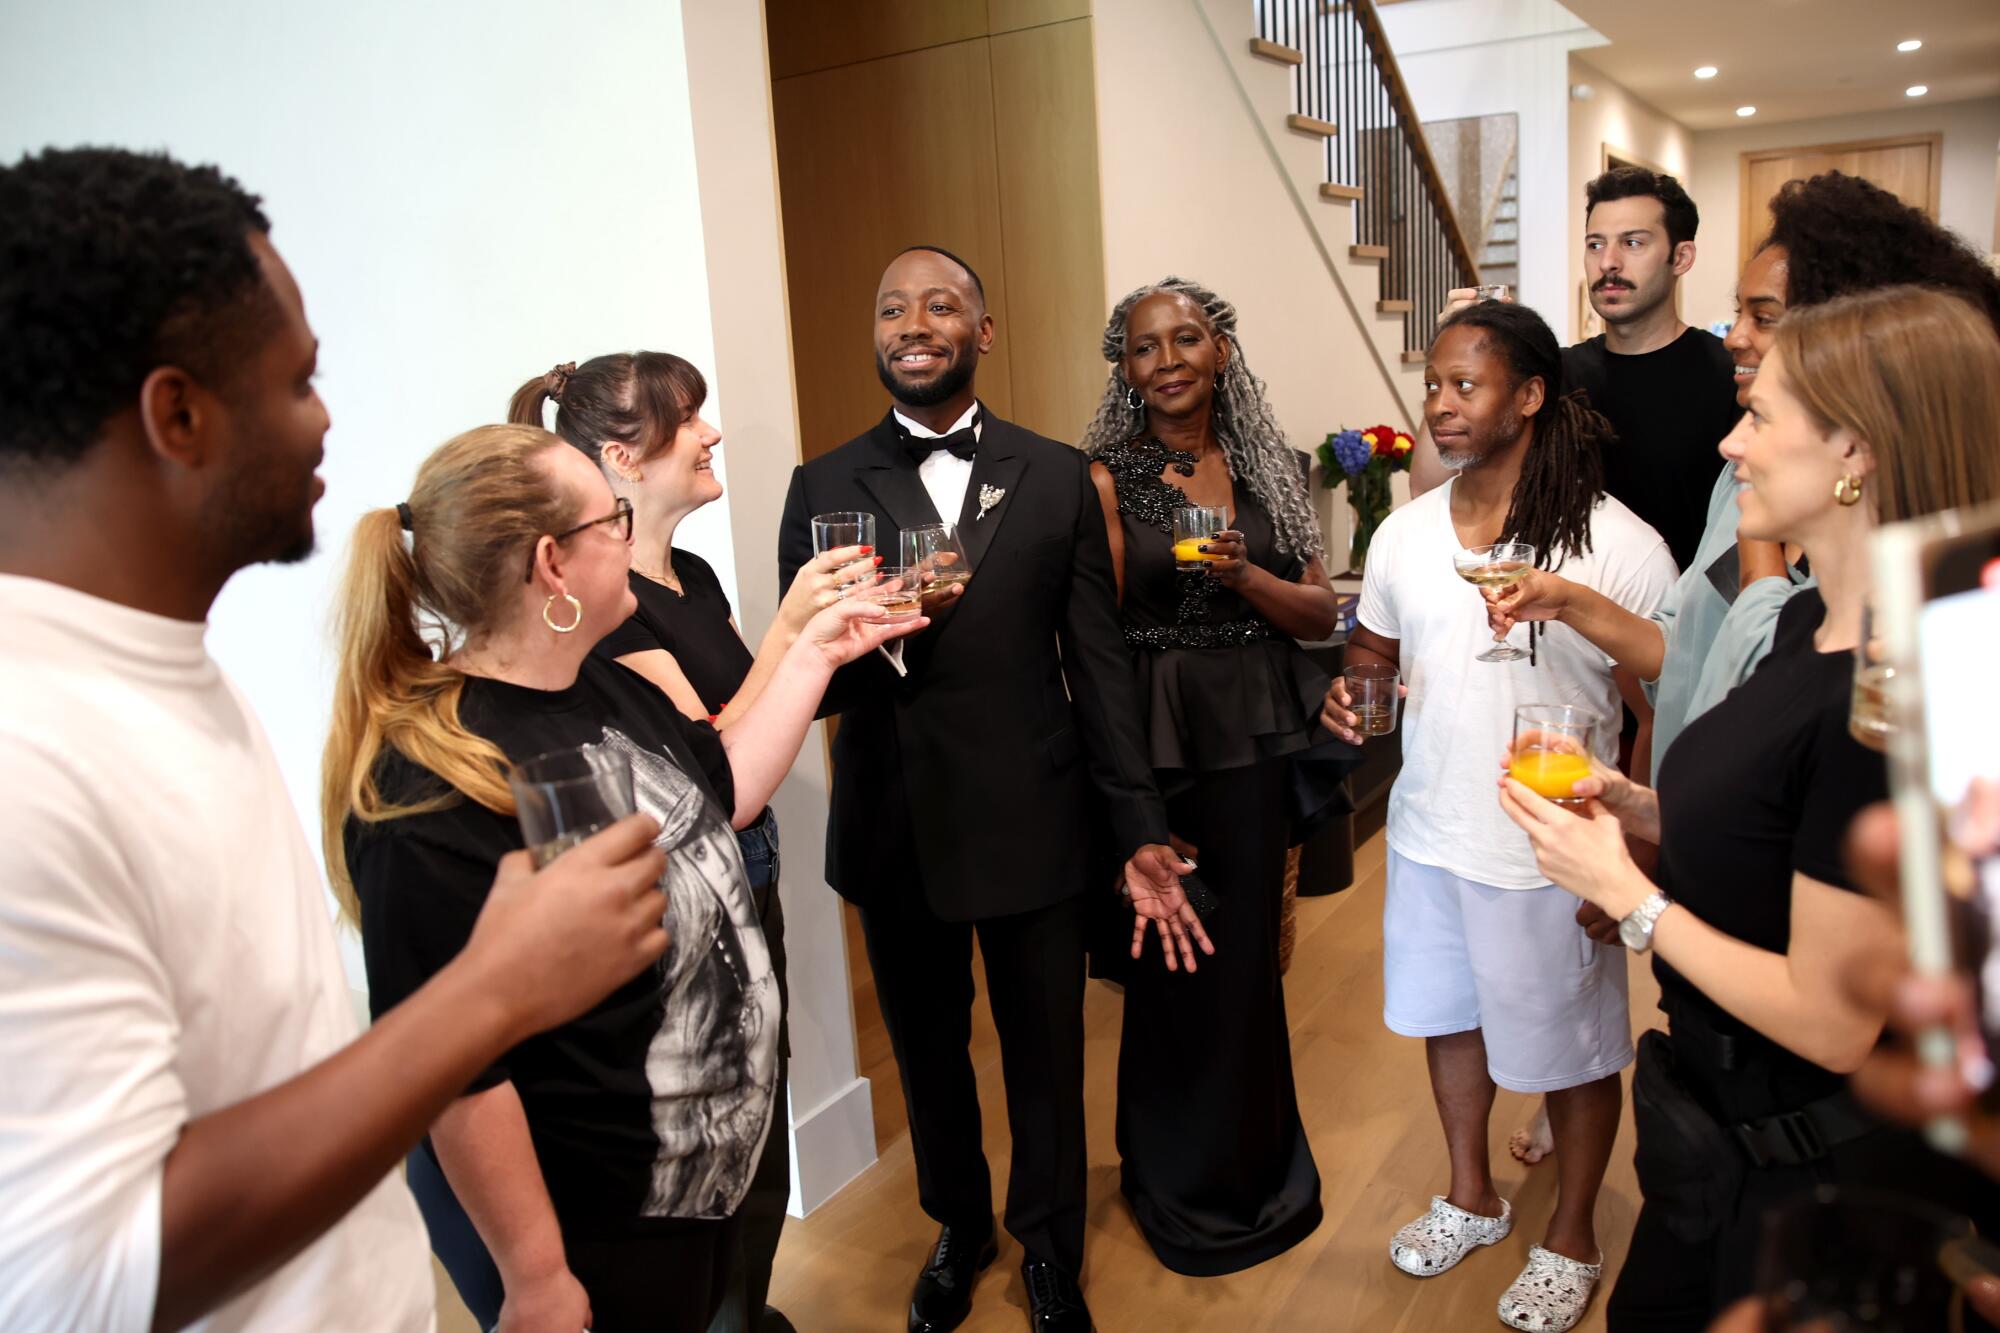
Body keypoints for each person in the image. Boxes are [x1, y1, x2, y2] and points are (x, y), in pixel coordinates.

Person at [0, 146, 671, 1332]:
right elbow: (84, 1279)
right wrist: (493, 992)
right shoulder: (28, 750)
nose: (325, 417)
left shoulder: (162, 670)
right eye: (299, 380)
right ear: (179, 414)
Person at [325, 423, 921, 1333]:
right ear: (551, 566)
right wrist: (535, 1275)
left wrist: (817, 650)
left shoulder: (605, 684)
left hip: (694, 1182)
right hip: (591, 1221)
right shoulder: (430, 785)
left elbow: (725, 789)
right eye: (616, 519)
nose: (632, 536)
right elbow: (458, 1073)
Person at [1496, 285, 2000, 1330]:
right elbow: (1779, 837)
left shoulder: (1893, 690)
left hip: (1816, 1175)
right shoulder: (1805, 618)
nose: (1730, 445)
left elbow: (1829, 1022)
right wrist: (1634, 804)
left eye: (1760, 416)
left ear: (1854, 451)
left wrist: (1624, 895)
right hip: (1717, 1135)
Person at [777, 245, 1192, 1333]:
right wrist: (871, 633)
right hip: (894, 822)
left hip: (1035, 815)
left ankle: (1050, 1247)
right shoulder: (820, 487)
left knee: (1045, 1051)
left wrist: (1134, 823)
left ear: (982, 331)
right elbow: (799, 681)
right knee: (926, 1051)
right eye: (891, 307)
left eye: (940, 304)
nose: (912, 323)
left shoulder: (1054, 473)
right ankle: (957, 1225)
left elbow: (1097, 666)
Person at [1321, 300, 1678, 1332]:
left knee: (1569, 1051)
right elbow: (1373, 654)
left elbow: (1658, 705)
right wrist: (1350, 690)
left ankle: (1570, 1230)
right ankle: (1470, 1193)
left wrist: (1634, 857)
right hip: (1428, 831)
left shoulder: (1614, 545)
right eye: (1432, 384)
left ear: (1528, 397)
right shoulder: (1401, 534)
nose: (1439, 403)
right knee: (1447, 1022)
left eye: (1464, 384)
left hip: (1551, 850)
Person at [509, 352, 863, 1333]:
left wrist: (802, 635)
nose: (712, 434)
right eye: (688, 420)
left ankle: (745, 1311)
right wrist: (800, 630)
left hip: (750, 880)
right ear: (621, 455)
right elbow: (714, 776)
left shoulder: (693, 574)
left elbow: (737, 718)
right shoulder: (606, 604)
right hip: (694, 895)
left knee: (760, 1117)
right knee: (711, 1149)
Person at [1489, 171, 2000, 783]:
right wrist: (1566, 600)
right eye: (1740, 313)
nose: (1736, 337)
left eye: (1765, 317)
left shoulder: (1904, 567)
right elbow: (1682, 652)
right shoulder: (1738, 482)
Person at [1079, 277, 1349, 1275]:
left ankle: (1258, 1164)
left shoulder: (1268, 467)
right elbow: (1097, 644)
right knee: (1169, 967)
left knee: (1244, 964)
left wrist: (1242, 577)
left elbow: (1319, 613)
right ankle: (1171, 1177)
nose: (1167, 359)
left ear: (1221, 352)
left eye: (1185, 338)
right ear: (1124, 369)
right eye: (1144, 347)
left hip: (1255, 746)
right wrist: (1124, 804)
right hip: (1159, 750)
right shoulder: (1108, 479)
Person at [1414, 168, 1738, 575]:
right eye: (1595, 244)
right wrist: (1452, 352)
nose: (1608, 263)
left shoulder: (1728, 375)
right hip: (1551, 613)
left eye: (1633, 243)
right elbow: (1428, 485)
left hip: (1683, 620)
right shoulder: (1552, 376)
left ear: (1681, 257)